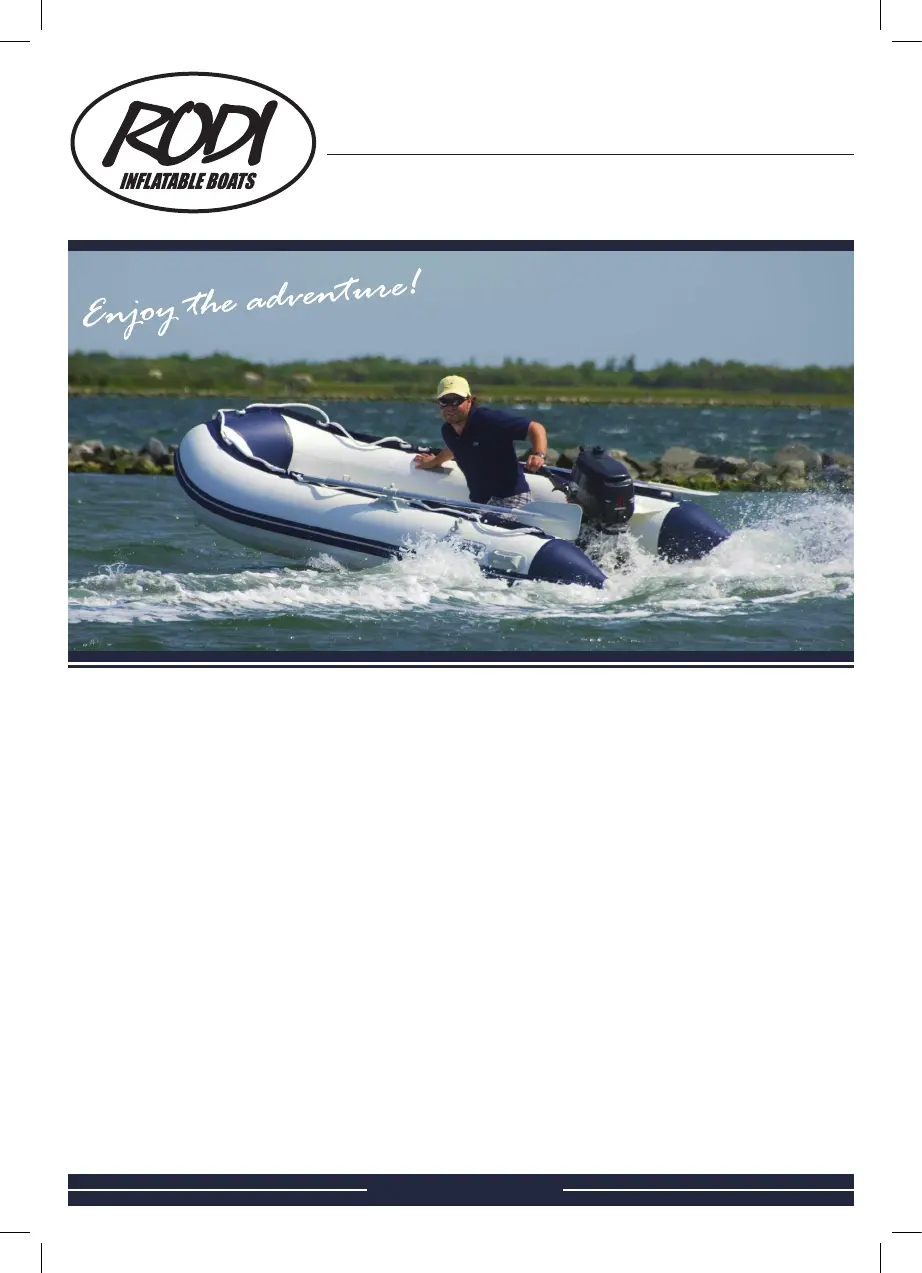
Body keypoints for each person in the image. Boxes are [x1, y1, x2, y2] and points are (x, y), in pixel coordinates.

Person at [412, 376, 548, 509]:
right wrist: (435, 461)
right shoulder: (448, 431)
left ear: (469, 400)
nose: (449, 407)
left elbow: (534, 427)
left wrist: (539, 454)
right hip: (480, 502)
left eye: (455, 401)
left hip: (512, 499)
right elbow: (456, 448)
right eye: (444, 401)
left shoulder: (489, 420)